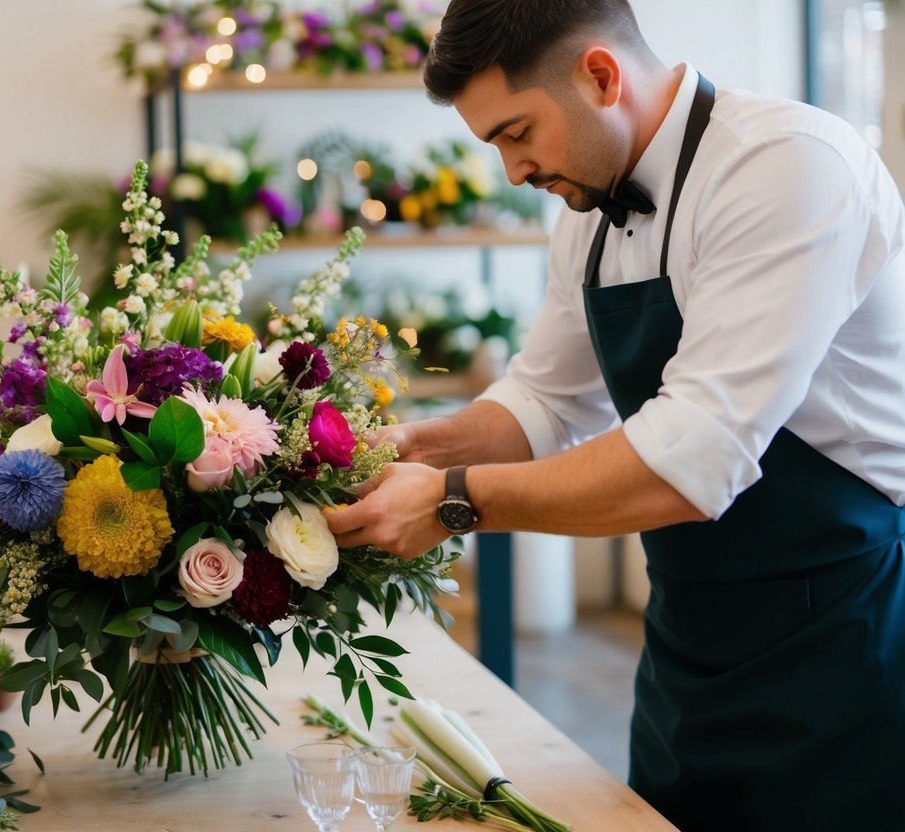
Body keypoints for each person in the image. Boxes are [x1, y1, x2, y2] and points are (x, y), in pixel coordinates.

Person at [322, 1, 905, 830]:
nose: (513, 172)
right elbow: (544, 402)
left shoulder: (788, 165)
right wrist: (415, 446)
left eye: (517, 133)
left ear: (600, 75)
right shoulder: (587, 212)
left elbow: (693, 453)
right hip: (685, 644)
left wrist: (452, 500)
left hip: (840, 634)